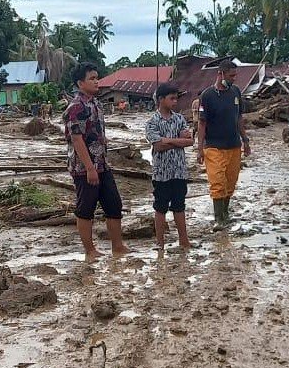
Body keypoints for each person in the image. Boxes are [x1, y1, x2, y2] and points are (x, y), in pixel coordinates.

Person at [63, 62, 129, 260]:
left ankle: (117, 246)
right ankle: (90, 251)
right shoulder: (76, 107)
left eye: (96, 77)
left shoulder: (96, 104)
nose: (96, 81)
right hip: (84, 167)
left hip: (102, 164)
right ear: (80, 83)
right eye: (92, 78)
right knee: (86, 209)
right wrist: (90, 167)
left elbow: (95, 132)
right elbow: (76, 139)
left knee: (114, 204)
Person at [196, 60, 251, 228]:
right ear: (220, 74)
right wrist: (200, 149)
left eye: (235, 75)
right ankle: (218, 218)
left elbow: (239, 118)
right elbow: (202, 123)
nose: (234, 79)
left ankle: (225, 214)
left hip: (234, 145)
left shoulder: (235, 92)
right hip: (213, 146)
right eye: (231, 75)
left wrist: (245, 140)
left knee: (230, 182)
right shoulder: (207, 95)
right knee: (218, 182)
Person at [145, 82, 194, 249]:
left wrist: (167, 140)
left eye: (176, 98)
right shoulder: (152, 122)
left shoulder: (179, 119)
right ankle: (160, 242)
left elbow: (189, 141)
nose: (175, 102)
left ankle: (184, 240)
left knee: (179, 206)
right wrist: (178, 141)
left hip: (179, 171)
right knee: (160, 208)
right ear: (161, 99)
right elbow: (157, 146)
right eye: (172, 98)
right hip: (161, 173)